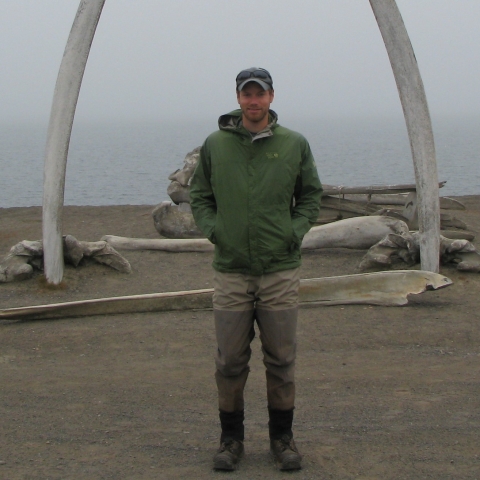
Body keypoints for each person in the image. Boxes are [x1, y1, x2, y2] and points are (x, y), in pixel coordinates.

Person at [189, 67, 322, 471]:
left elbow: (312, 195)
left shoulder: (294, 144)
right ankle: (231, 441)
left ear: (271, 97)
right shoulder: (215, 144)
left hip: (279, 269)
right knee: (229, 360)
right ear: (238, 97)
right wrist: (216, 231)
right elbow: (200, 194)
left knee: (281, 358)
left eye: (259, 94)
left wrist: (292, 232)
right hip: (231, 270)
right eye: (247, 94)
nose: (253, 101)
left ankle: (283, 439)